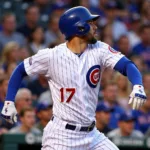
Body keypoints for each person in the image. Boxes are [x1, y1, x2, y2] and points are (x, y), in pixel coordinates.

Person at [1, 6, 147, 150]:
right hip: (61, 136)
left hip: (91, 135)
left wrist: (138, 85)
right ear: (80, 28)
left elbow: (127, 65)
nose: (95, 27)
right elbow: (20, 70)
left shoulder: (100, 49)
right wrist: (9, 101)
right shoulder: (52, 55)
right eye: (90, 23)